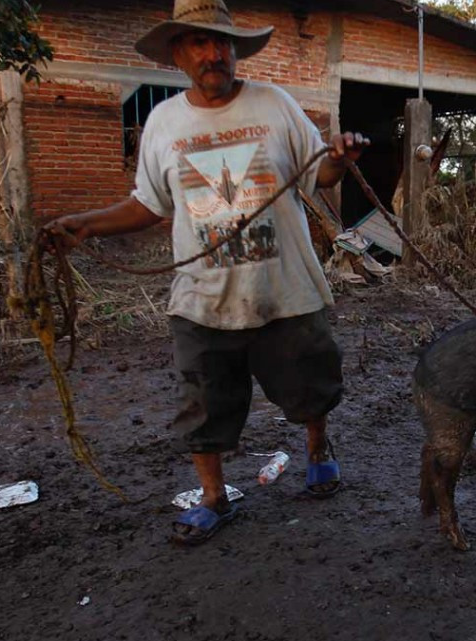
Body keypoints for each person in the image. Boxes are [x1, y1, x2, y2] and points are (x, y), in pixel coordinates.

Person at [43, 0, 370, 545]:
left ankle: (318, 448)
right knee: (203, 404)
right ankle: (215, 500)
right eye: (198, 42)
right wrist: (87, 225)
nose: (213, 53)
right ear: (178, 54)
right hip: (202, 297)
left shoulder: (276, 104)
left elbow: (324, 174)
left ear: (236, 50)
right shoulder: (164, 122)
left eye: (222, 43)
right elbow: (148, 204)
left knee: (311, 385)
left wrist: (341, 154)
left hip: (284, 290)